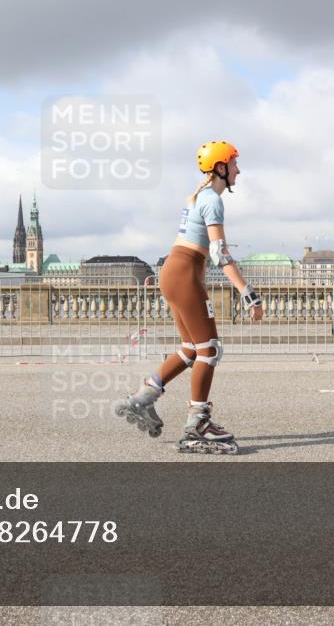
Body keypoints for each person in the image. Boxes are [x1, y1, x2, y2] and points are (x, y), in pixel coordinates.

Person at [115, 141, 264, 454]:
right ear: (221, 168)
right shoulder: (212, 200)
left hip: (176, 270)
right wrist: (246, 292)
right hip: (184, 271)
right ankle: (197, 423)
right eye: (235, 164)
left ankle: (141, 400)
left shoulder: (200, 197)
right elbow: (219, 253)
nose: (239, 170)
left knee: (190, 349)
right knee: (209, 349)